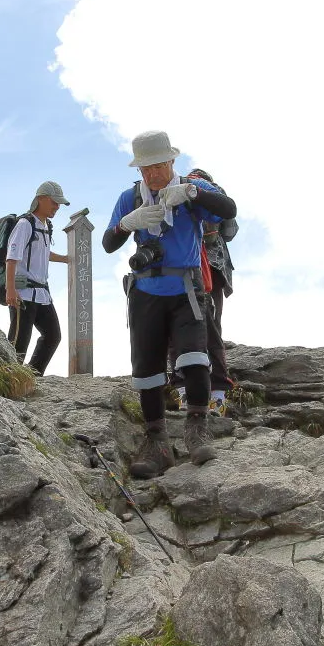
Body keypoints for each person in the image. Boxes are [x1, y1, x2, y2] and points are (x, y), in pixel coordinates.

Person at [103, 131, 237, 479]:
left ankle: (197, 428)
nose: (152, 175)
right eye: (145, 168)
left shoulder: (188, 192)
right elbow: (107, 244)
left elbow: (229, 210)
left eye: (158, 166)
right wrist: (125, 224)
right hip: (145, 292)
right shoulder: (129, 197)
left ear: (172, 162)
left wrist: (193, 193)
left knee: (194, 358)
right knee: (147, 371)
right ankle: (157, 442)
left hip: (186, 289)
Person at [170, 167, 238, 417]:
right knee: (212, 325)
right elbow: (229, 232)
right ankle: (217, 396)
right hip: (214, 266)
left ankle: (182, 389)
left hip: (182, 266)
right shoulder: (215, 193)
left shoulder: (176, 189)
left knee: (177, 327)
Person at [5, 181, 71, 375]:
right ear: (41, 199)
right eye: (54, 202)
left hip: (42, 294)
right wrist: (10, 289)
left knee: (53, 336)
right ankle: (10, 381)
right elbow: (11, 258)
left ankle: (32, 376)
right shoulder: (25, 224)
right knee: (19, 342)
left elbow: (44, 253)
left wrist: (69, 259)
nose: (57, 207)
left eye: (59, 203)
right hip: (22, 294)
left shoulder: (45, 225)